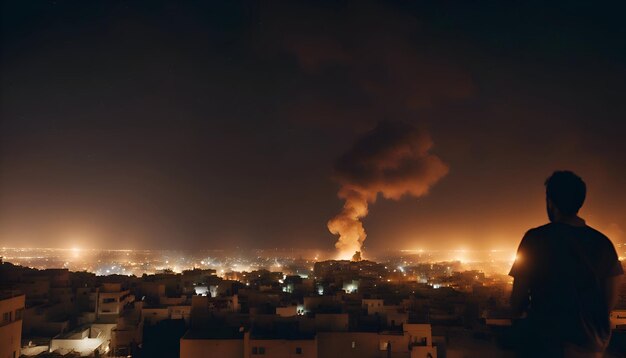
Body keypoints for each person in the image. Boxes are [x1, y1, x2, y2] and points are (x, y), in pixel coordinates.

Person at [509, 171, 623, 357]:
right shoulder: (603, 243)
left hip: (545, 344)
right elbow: (608, 302)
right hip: (589, 346)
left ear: (550, 202)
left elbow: (517, 301)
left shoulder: (536, 239)